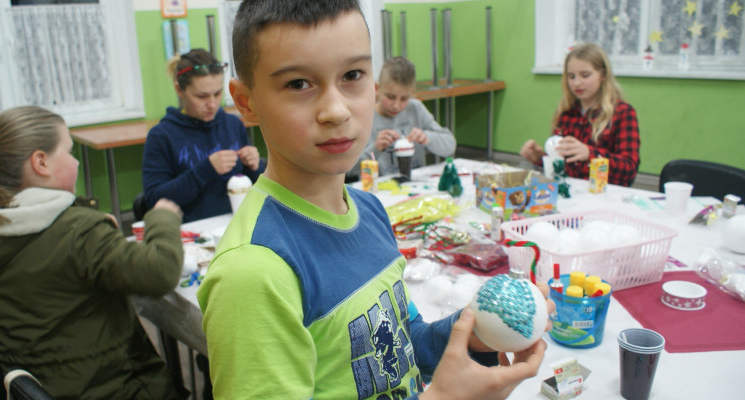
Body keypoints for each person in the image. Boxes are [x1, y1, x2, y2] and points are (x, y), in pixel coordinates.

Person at [197, 1, 553, 399]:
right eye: (298, 84)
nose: (335, 110)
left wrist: (475, 331)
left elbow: (403, 346)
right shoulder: (253, 271)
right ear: (246, 102)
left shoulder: (368, 211)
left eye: (352, 75)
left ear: (373, 84)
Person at [0, 106, 186, 400]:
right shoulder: (79, 232)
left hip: (33, 386)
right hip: (109, 387)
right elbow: (160, 272)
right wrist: (162, 218)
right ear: (41, 162)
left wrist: (88, 227)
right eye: (69, 152)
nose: (76, 162)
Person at [143, 48, 266, 222]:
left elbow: (254, 187)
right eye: (201, 96)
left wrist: (255, 167)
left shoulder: (232, 124)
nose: (212, 104)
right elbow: (154, 199)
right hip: (190, 230)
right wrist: (204, 170)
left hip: (235, 223)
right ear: (179, 90)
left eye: (217, 93)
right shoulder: (161, 135)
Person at [520, 42, 640, 187]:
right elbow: (561, 167)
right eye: (571, 77)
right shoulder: (566, 113)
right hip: (572, 192)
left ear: (603, 75)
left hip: (605, 193)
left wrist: (590, 154)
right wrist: (540, 159)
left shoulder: (623, 113)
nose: (577, 83)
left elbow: (629, 170)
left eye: (585, 75)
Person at [351, 55, 456, 178]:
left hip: (415, 184)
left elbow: (450, 146)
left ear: (411, 93)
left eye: (404, 99)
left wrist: (427, 137)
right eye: (390, 97)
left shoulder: (415, 108)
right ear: (377, 89)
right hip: (379, 186)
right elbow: (349, 170)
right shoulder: (365, 116)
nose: (396, 106)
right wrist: (375, 148)